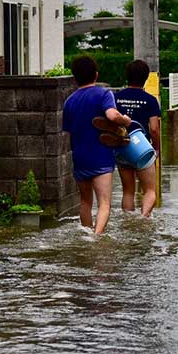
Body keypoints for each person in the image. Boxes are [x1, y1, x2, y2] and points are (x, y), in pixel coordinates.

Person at [62, 55, 131, 234]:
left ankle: (87, 233)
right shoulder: (104, 94)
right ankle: (96, 237)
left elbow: (68, 131)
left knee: (85, 202)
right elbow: (112, 116)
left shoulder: (68, 102)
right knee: (104, 203)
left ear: (75, 77)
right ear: (96, 74)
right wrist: (125, 120)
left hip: (80, 157)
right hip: (100, 156)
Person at [113, 59, 161, 217]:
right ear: (146, 77)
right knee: (150, 191)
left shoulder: (116, 97)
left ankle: (128, 222)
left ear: (127, 76)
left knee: (128, 191)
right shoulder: (151, 100)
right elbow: (154, 129)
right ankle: (143, 220)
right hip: (142, 148)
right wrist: (157, 147)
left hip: (122, 146)